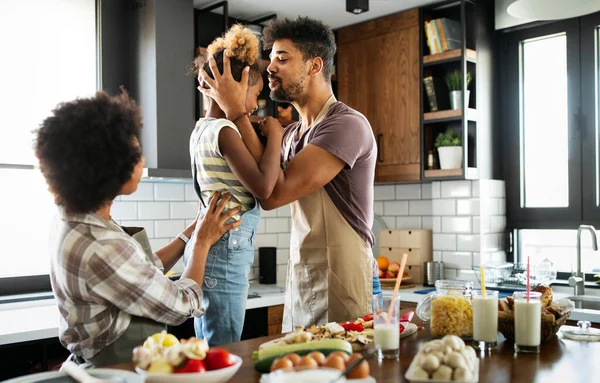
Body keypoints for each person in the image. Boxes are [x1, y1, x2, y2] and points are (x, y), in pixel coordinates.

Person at [34, 90, 241, 367]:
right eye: (136, 155)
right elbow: (181, 304)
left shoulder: (74, 220)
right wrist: (202, 243)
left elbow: (141, 270)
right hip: (115, 371)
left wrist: (193, 231)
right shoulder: (101, 243)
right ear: (108, 167)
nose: (142, 162)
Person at [198, 17, 380, 332]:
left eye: (282, 58)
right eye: (270, 59)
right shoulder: (292, 133)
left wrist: (236, 112)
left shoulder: (345, 125)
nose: (270, 67)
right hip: (302, 281)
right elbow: (262, 179)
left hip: (343, 283)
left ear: (314, 66)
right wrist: (219, 103)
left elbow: (274, 195)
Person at [183, 24, 283, 346]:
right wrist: (277, 136)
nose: (254, 106)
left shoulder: (202, 129)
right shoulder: (226, 132)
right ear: (235, 88)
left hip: (211, 250)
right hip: (227, 249)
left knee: (208, 343)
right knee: (224, 344)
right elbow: (264, 187)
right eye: (254, 95)